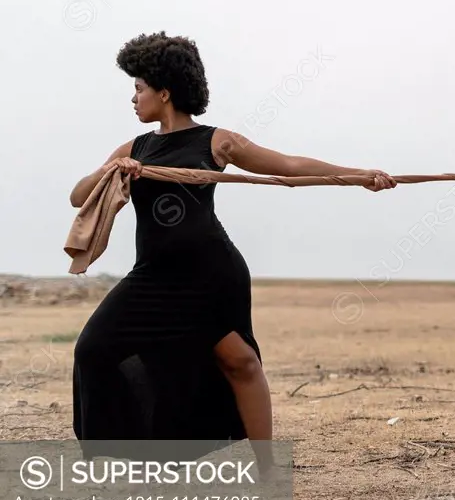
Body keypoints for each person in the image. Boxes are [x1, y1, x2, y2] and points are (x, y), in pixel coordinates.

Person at [69, 32, 396, 473]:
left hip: (211, 273)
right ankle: (117, 461)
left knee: (239, 361)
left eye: (139, 87)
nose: (133, 97)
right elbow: (78, 196)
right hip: (153, 275)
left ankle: (266, 468)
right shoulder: (134, 149)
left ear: (164, 92)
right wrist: (113, 169)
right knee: (93, 349)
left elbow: (289, 167)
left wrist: (359, 175)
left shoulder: (216, 142)